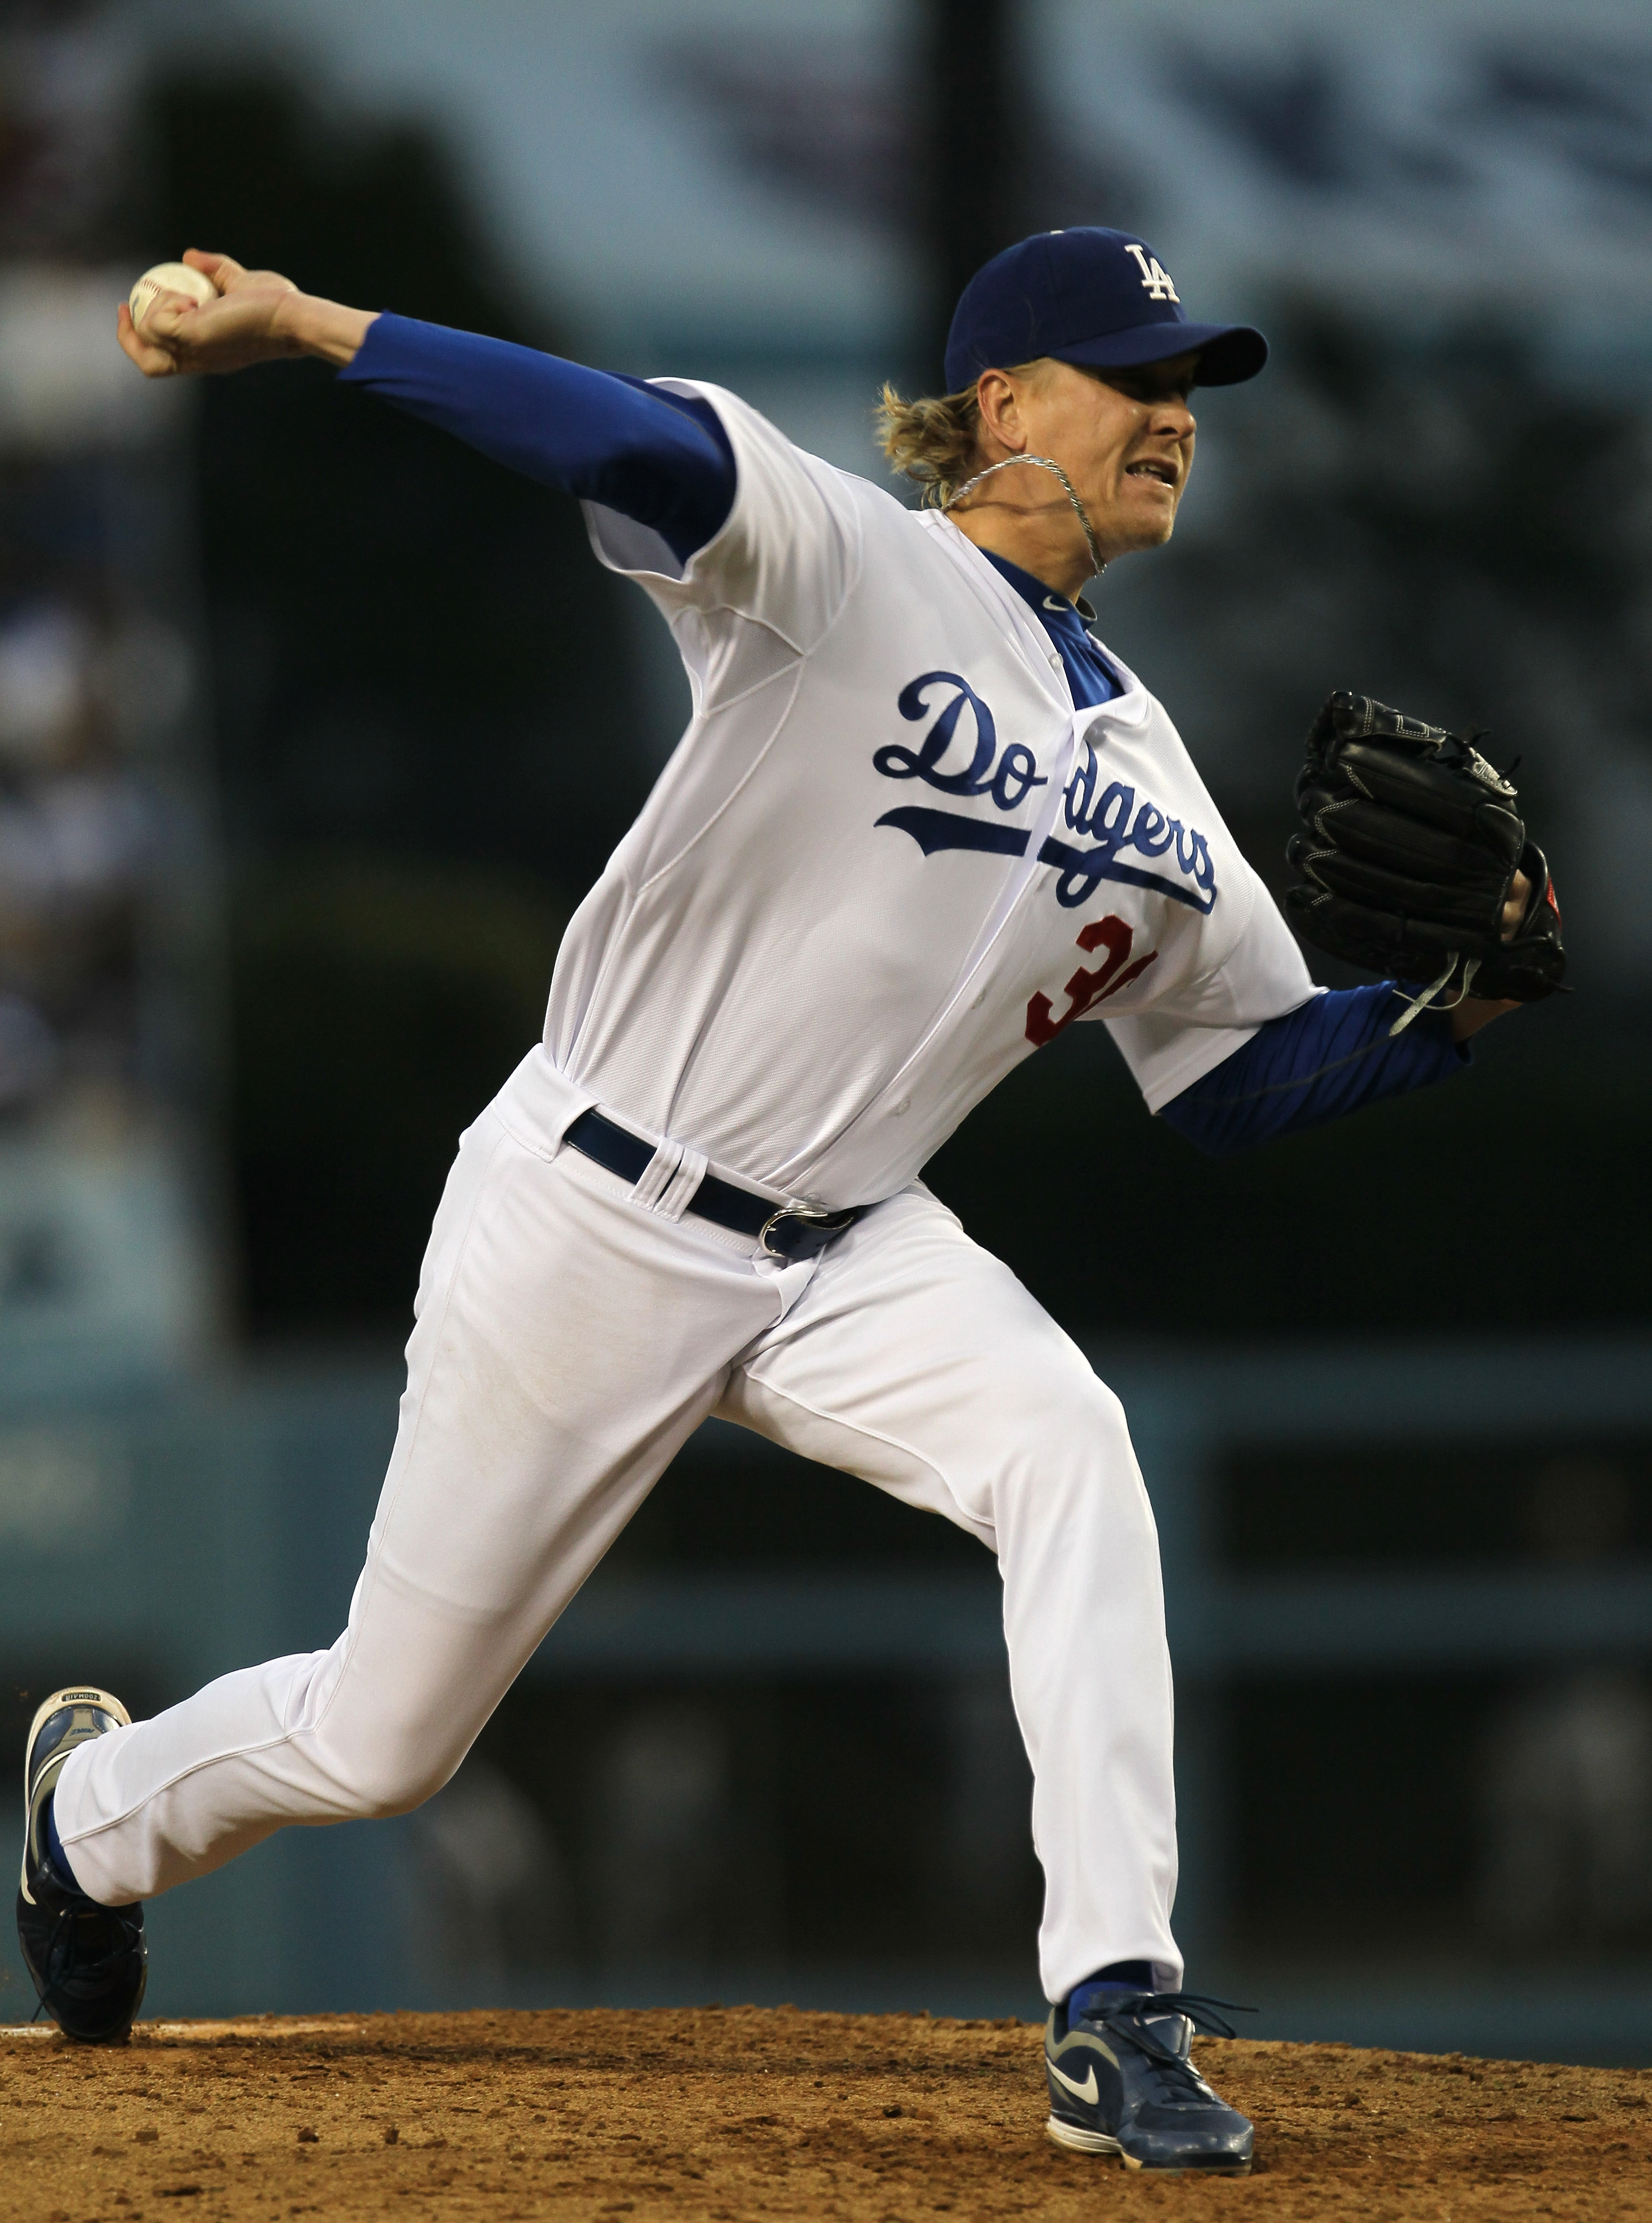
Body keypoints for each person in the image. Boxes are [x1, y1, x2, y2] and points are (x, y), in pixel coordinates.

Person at [21, 227, 1525, 2170]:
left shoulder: (1154, 777)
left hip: (854, 1248)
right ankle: (88, 1819)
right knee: (386, 1742)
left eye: (1193, 391)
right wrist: (309, 325)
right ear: (1002, 406)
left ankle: (1116, 2010)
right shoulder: (843, 563)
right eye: (1136, 378)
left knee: (1070, 1444)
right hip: (595, 1204)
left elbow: (1235, 1084)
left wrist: (1467, 1002)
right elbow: (611, 439)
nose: (1173, 419)